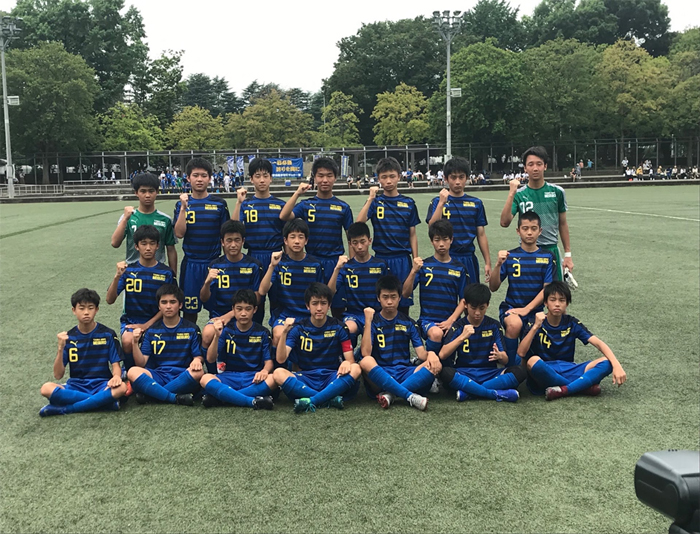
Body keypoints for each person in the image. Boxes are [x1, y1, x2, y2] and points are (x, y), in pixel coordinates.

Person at [518, 281, 627, 400]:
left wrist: (617, 365)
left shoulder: (571, 323)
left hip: (569, 369)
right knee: (533, 361)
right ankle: (581, 387)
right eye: (553, 300)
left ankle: (564, 390)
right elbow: (521, 353)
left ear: (567, 303)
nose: (557, 304)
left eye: (562, 300)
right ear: (545, 302)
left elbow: (598, 343)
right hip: (545, 370)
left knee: (607, 362)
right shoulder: (535, 322)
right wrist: (535, 327)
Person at [279, 157, 353, 317]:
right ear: (314, 177)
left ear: (335, 177)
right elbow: (284, 215)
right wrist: (297, 193)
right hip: (311, 262)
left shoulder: (343, 207)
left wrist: (352, 264)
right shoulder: (306, 205)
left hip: (334, 262)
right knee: (314, 307)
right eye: (320, 175)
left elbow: (351, 238)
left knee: (338, 308)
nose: (325, 180)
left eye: (329, 175)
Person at [273, 283, 362, 413]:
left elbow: (351, 360)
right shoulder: (298, 328)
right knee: (278, 373)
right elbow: (281, 359)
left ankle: (313, 400)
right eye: (315, 303)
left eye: (323, 303)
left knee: (356, 368)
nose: (319, 308)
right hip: (306, 378)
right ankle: (328, 398)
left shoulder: (340, 327)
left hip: (332, 376)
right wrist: (285, 332)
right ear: (308, 306)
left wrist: (346, 363)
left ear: (329, 305)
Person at [39, 289, 127, 417]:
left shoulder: (108, 334)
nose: (86, 312)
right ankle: (104, 403)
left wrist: (116, 377)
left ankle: (67, 409)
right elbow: (58, 375)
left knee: (122, 387)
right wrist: (60, 349)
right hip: (76, 385)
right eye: (81, 308)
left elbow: (116, 365)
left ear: (96, 310)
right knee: (46, 388)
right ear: (74, 310)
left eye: (90, 308)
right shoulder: (68, 338)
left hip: (101, 384)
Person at [358, 275, 440, 411]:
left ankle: (391, 395)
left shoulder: (408, 322)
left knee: (435, 365)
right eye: (385, 297)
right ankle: (408, 395)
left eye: (393, 297)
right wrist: (367, 321)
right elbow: (366, 353)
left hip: (403, 372)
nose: (389, 301)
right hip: (381, 373)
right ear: (378, 298)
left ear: (400, 298)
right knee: (366, 361)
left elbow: (421, 355)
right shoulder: (373, 322)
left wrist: (431, 354)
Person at [438, 283, 524, 402]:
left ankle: (469, 392)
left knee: (520, 372)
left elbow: (505, 360)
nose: (477, 313)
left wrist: (500, 356)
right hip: (465, 372)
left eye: (482, 308)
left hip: (489, 373)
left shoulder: (494, 326)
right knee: (445, 373)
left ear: (487, 305)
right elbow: (442, 354)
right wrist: (462, 337)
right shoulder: (458, 326)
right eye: (473, 308)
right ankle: (493, 393)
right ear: (465, 305)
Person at [106, 225, 175, 370]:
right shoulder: (128, 271)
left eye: (152, 243)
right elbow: (109, 300)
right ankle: (129, 370)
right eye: (144, 244)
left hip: (159, 321)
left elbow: (172, 306)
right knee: (127, 340)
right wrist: (117, 276)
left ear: (158, 246)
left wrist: (146, 325)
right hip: (132, 321)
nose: (148, 248)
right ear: (136, 246)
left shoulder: (166, 273)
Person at [356, 157, 419, 315]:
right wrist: (370, 198)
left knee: (402, 302)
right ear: (378, 179)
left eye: (392, 176)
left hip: (402, 259)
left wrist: (415, 259)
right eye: (384, 177)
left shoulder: (409, 203)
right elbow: (359, 223)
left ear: (399, 176)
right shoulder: (376, 202)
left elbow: (412, 234)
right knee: (381, 302)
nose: (388, 181)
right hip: (381, 258)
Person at [489, 211, 553, 364]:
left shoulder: (547, 257)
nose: (529, 232)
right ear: (518, 231)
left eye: (533, 228)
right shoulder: (510, 256)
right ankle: (510, 365)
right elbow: (493, 286)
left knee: (533, 354)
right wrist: (498, 265)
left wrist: (527, 309)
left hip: (536, 310)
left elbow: (547, 289)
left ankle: (527, 362)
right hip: (511, 307)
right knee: (514, 324)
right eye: (525, 228)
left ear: (540, 231)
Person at [500, 146, 572, 281]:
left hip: (551, 250)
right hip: (527, 252)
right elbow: (504, 222)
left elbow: (563, 224)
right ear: (525, 168)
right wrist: (511, 194)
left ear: (545, 166)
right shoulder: (519, 195)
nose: (535, 168)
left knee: (554, 292)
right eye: (530, 164)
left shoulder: (557, 192)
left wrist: (568, 254)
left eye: (539, 164)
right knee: (528, 290)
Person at [173, 158, 230, 323]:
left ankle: (214, 339)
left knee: (218, 310)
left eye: (204, 175)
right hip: (191, 265)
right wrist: (183, 208)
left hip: (214, 264)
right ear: (188, 178)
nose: (199, 179)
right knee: (189, 312)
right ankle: (191, 339)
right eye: (195, 175)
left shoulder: (219, 204)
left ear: (210, 178)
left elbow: (225, 236)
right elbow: (179, 233)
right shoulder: (181, 204)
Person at [126, 284, 204, 406]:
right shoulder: (151, 331)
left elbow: (198, 357)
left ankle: (153, 394)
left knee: (198, 373)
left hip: (182, 375)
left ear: (180, 305)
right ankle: (174, 398)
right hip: (158, 375)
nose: (168, 306)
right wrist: (135, 343)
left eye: (172, 302)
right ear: (159, 306)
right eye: (164, 302)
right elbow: (141, 363)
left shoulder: (192, 329)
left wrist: (197, 360)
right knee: (132, 371)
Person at [199, 289, 276, 410]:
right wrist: (216, 336)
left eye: (248, 309)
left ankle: (223, 398)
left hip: (253, 378)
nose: (243, 313)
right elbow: (210, 358)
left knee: (273, 379)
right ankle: (251, 401)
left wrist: (264, 371)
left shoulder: (263, 332)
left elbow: (269, 363)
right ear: (233, 310)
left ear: (255, 310)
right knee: (205, 378)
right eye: (239, 309)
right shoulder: (226, 331)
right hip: (229, 377)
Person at [402, 220, 468, 356]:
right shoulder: (424, 266)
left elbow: (464, 299)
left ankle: (432, 362)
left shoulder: (459, 268)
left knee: (447, 362)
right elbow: (405, 293)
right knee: (437, 333)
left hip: (451, 321)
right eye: (437, 240)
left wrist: (451, 320)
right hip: (428, 321)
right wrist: (413, 271)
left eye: (445, 239)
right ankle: (429, 363)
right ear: (432, 241)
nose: (441, 244)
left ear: (451, 240)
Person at [232, 158, 286, 325]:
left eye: (265, 176)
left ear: (271, 178)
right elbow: (233, 228)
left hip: (276, 257)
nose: (262, 180)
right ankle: (255, 335)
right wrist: (238, 203)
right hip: (254, 257)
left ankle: (276, 336)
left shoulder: (280, 205)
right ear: (251, 179)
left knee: (278, 301)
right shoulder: (246, 204)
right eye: (257, 176)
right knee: (254, 302)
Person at [199, 220, 262, 360]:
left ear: (243, 241)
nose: (233, 245)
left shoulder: (254, 265)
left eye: (237, 240)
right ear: (222, 242)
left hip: (246, 316)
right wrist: (207, 283)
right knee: (208, 333)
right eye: (229, 240)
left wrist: (231, 314)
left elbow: (257, 297)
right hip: (219, 315)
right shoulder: (215, 265)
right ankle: (211, 370)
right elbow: (204, 298)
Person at [257, 219, 325, 348]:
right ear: (285, 240)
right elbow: (262, 291)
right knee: (278, 334)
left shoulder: (315, 264)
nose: (297, 241)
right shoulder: (279, 263)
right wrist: (272, 266)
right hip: (285, 314)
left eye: (301, 237)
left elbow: (321, 295)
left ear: (306, 240)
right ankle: (277, 362)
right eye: (292, 237)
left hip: (308, 314)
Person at [426, 156, 492, 284]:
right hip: (445, 257)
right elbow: (432, 227)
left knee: (470, 294)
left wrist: (487, 262)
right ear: (446, 179)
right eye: (453, 177)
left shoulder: (476, 203)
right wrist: (441, 203)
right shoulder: (437, 201)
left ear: (467, 178)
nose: (457, 182)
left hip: (468, 258)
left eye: (461, 177)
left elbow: (481, 234)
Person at [327, 222, 388, 346]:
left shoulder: (380, 265)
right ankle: (348, 355)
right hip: (353, 314)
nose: (359, 246)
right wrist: (337, 268)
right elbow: (330, 292)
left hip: (376, 313)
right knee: (347, 329)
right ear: (350, 244)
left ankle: (365, 354)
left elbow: (388, 291)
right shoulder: (346, 267)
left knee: (379, 334)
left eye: (362, 241)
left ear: (369, 241)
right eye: (355, 243)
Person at [111, 172, 177, 274]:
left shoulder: (165, 219)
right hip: (133, 272)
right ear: (136, 193)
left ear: (157, 192)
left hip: (158, 272)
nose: (147, 195)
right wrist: (125, 219)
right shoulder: (128, 217)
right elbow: (115, 243)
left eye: (151, 191)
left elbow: (171, 249)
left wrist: (173, 276)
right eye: (143, 191)